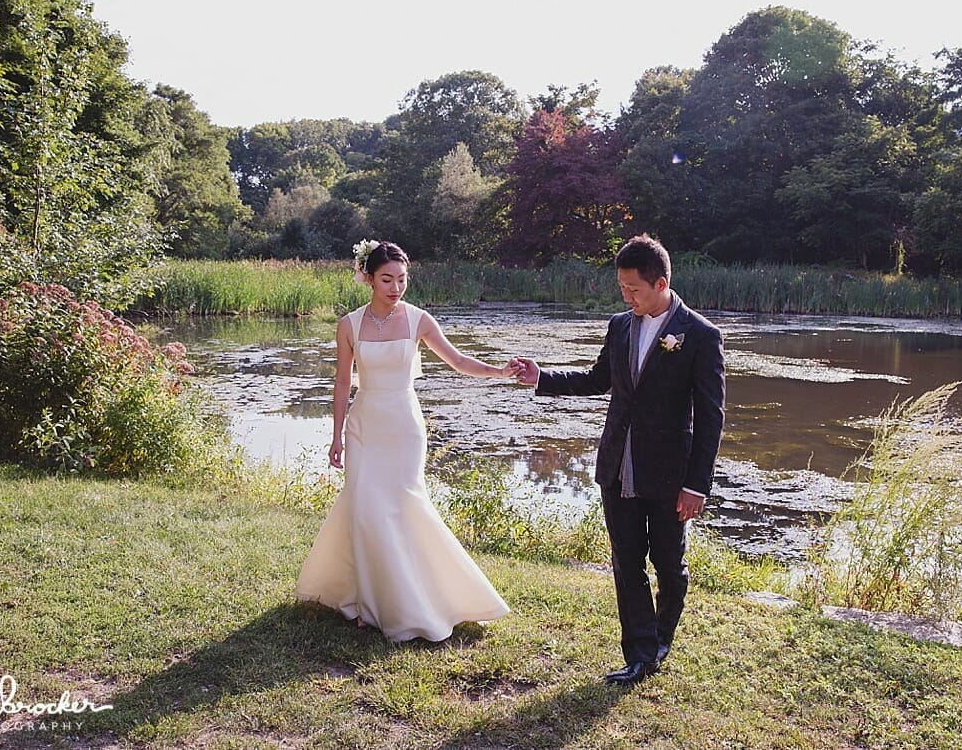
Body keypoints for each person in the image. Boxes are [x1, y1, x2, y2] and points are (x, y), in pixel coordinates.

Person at [514, 234, 725, 685]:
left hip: (670, 474)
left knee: (669, 563)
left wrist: (697, 485)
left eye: (634, 289)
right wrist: (542, 377)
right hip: (617, 465)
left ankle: (661, 638)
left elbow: (711, 418)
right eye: (621, 288)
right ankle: (640, 655)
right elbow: (597, 380)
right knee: (626, 562)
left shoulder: (701, 336)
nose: (626, 297)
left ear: (661, 282)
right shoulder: (620, 325)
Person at [295, 240, 517, 641]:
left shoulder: (419, 320)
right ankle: (366, 602)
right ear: (368, 277)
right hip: (364, 425)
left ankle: (421, 596)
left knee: (402, 507)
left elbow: (458, 360)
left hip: (404, 426)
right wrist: (336, 437)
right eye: (387, 279)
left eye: (402, 279)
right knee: (364, 510)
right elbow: (343, 382)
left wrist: (499, 371)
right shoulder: (349, 325)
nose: (396, 287)